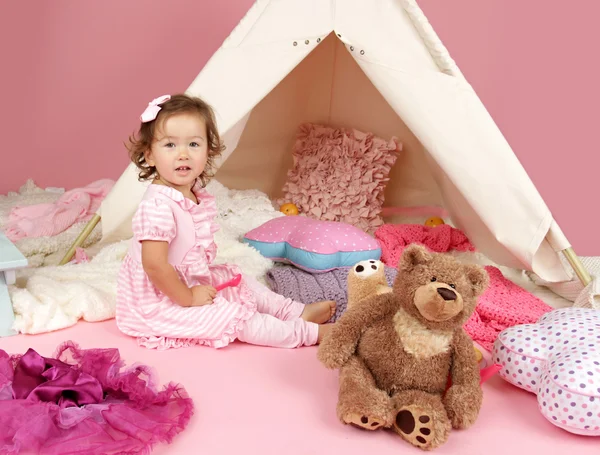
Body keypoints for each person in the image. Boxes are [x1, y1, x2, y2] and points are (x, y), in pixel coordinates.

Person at [115, 94, 336, 350]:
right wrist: (188, 297)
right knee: (233, 318)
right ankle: (308, 333)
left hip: (185, 280)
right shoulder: (157, 206)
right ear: (149, 156)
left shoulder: (189, 191)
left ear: (208, 151)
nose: (183, 154)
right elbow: (154, 266)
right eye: (170, 145)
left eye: (194, 145)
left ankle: (294, 311)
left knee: (241, 281)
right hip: (159, 300)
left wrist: (194, 286)